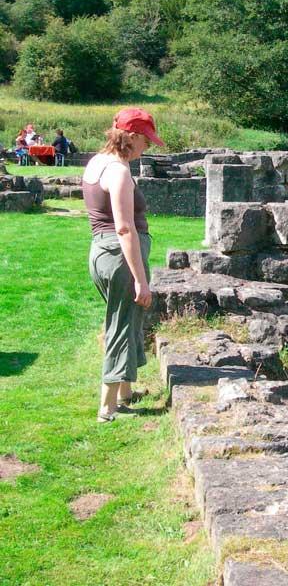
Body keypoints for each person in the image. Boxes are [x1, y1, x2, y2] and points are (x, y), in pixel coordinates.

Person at [84, 108, 164, 422]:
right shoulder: (118, 171)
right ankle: (107, 407)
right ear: (130, 136)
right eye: (146, 140)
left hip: (102, 252)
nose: (149, 146)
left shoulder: (97, 162)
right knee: (119, 325)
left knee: (128, 319)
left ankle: (126, 392)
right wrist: (140, 280)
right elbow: (124, 227)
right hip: (119, 256)